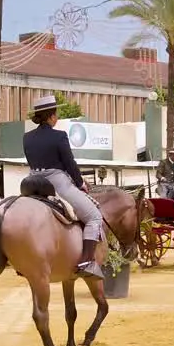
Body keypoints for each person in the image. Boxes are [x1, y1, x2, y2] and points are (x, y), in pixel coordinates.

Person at [22, 94, 104, 278]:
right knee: (94, 216)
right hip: (56, 182)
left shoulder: (27, 138)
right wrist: (81, 183)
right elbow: (69, 163)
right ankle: (86, 263)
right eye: (56, 114)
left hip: (32, 181)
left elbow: (31, 161)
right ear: (51, 116)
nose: (57, 117)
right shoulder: (59, 136)